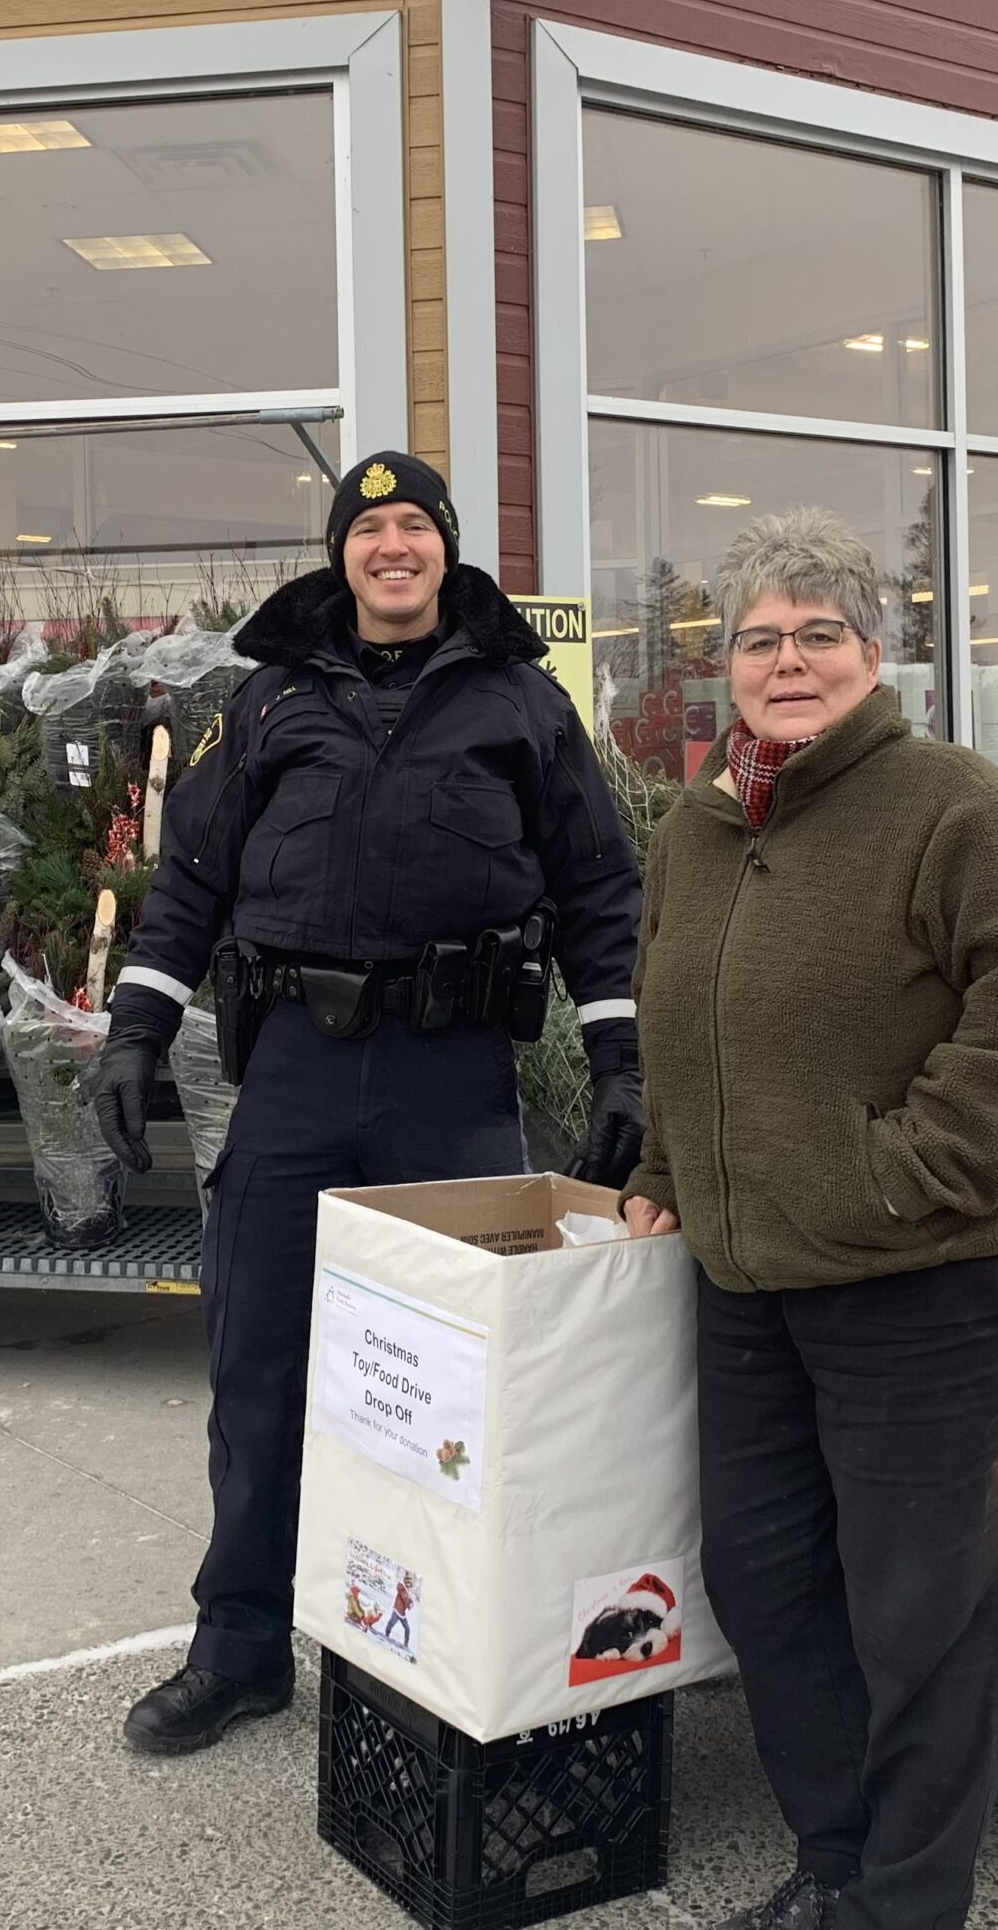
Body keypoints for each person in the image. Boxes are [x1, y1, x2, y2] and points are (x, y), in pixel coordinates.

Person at [92, 448, 646, 1755]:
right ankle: (239, 1643)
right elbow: (191, 883)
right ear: (341, 553)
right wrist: (134, 1031)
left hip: (450, 1079)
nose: (392, 546)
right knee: (260, 1359)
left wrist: (624, 1059)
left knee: (457, 1387)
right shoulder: (271, 703)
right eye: (369, 527)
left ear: (444, 549)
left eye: (414, 526)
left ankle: (436, 1652)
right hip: (292, 1070)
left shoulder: (521, 704)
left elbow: (602, 895)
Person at [619, 508, 998, 1930]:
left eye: (818, 633)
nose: (787, 660)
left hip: (933, 1271)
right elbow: (679, 1024)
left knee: (927, 1618)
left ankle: (905, 1902)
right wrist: (663, 1167)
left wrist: (897, 1172)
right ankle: (834, 1859)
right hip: (752, 1269)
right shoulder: (701, 829)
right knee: (763, 1579)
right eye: (760, 638)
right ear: (729, 665)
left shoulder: (961, 810)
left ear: (872, 651)